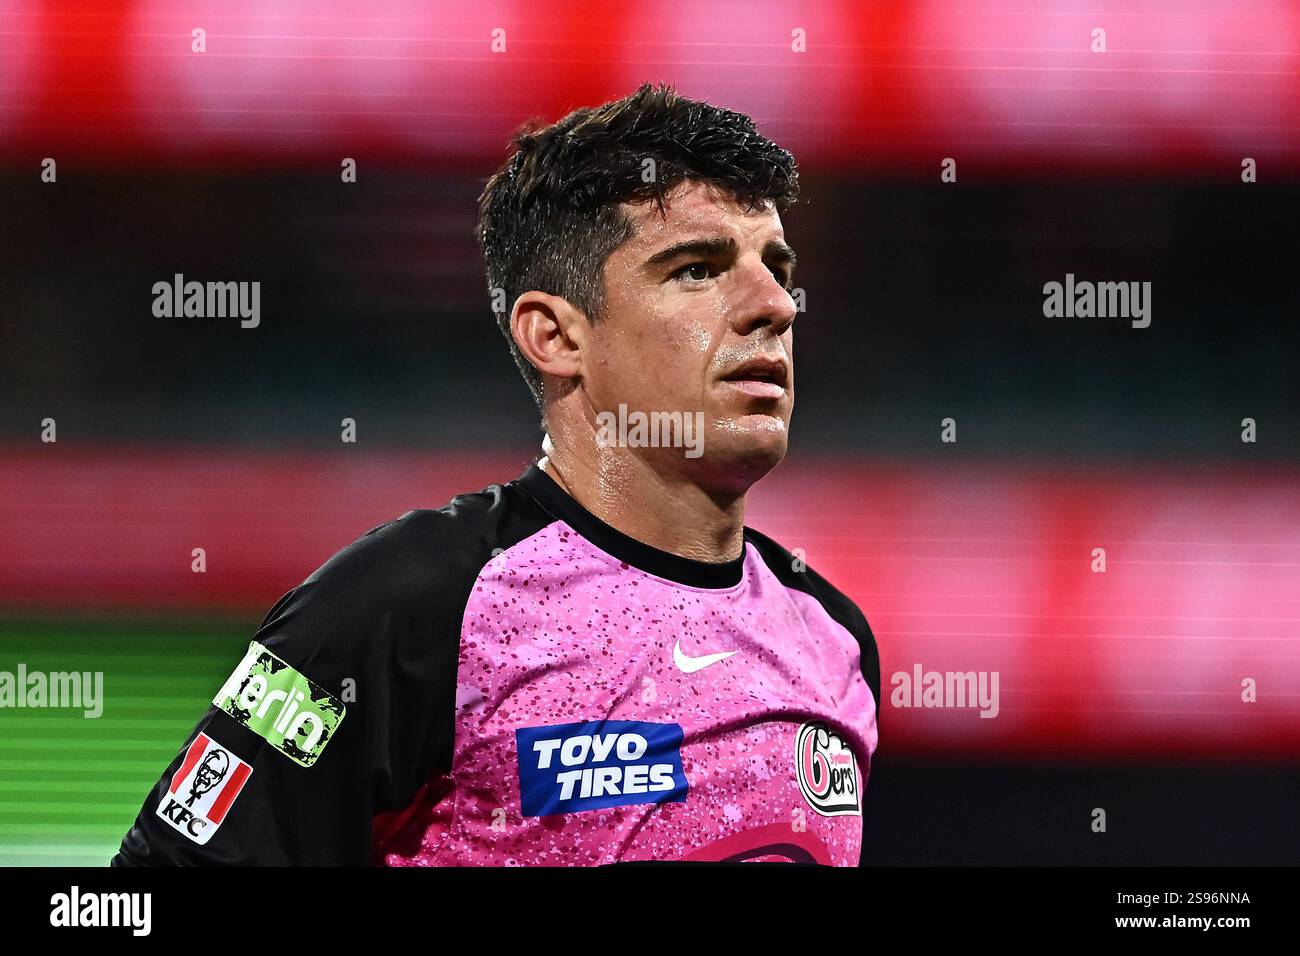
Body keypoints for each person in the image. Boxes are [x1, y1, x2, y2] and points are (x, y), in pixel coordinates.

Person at [111, 82, 880, 866]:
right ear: (555, 336)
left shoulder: (833, 637)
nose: (775, 305)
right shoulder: (410, 607)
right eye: (696, 269)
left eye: (775, 266)